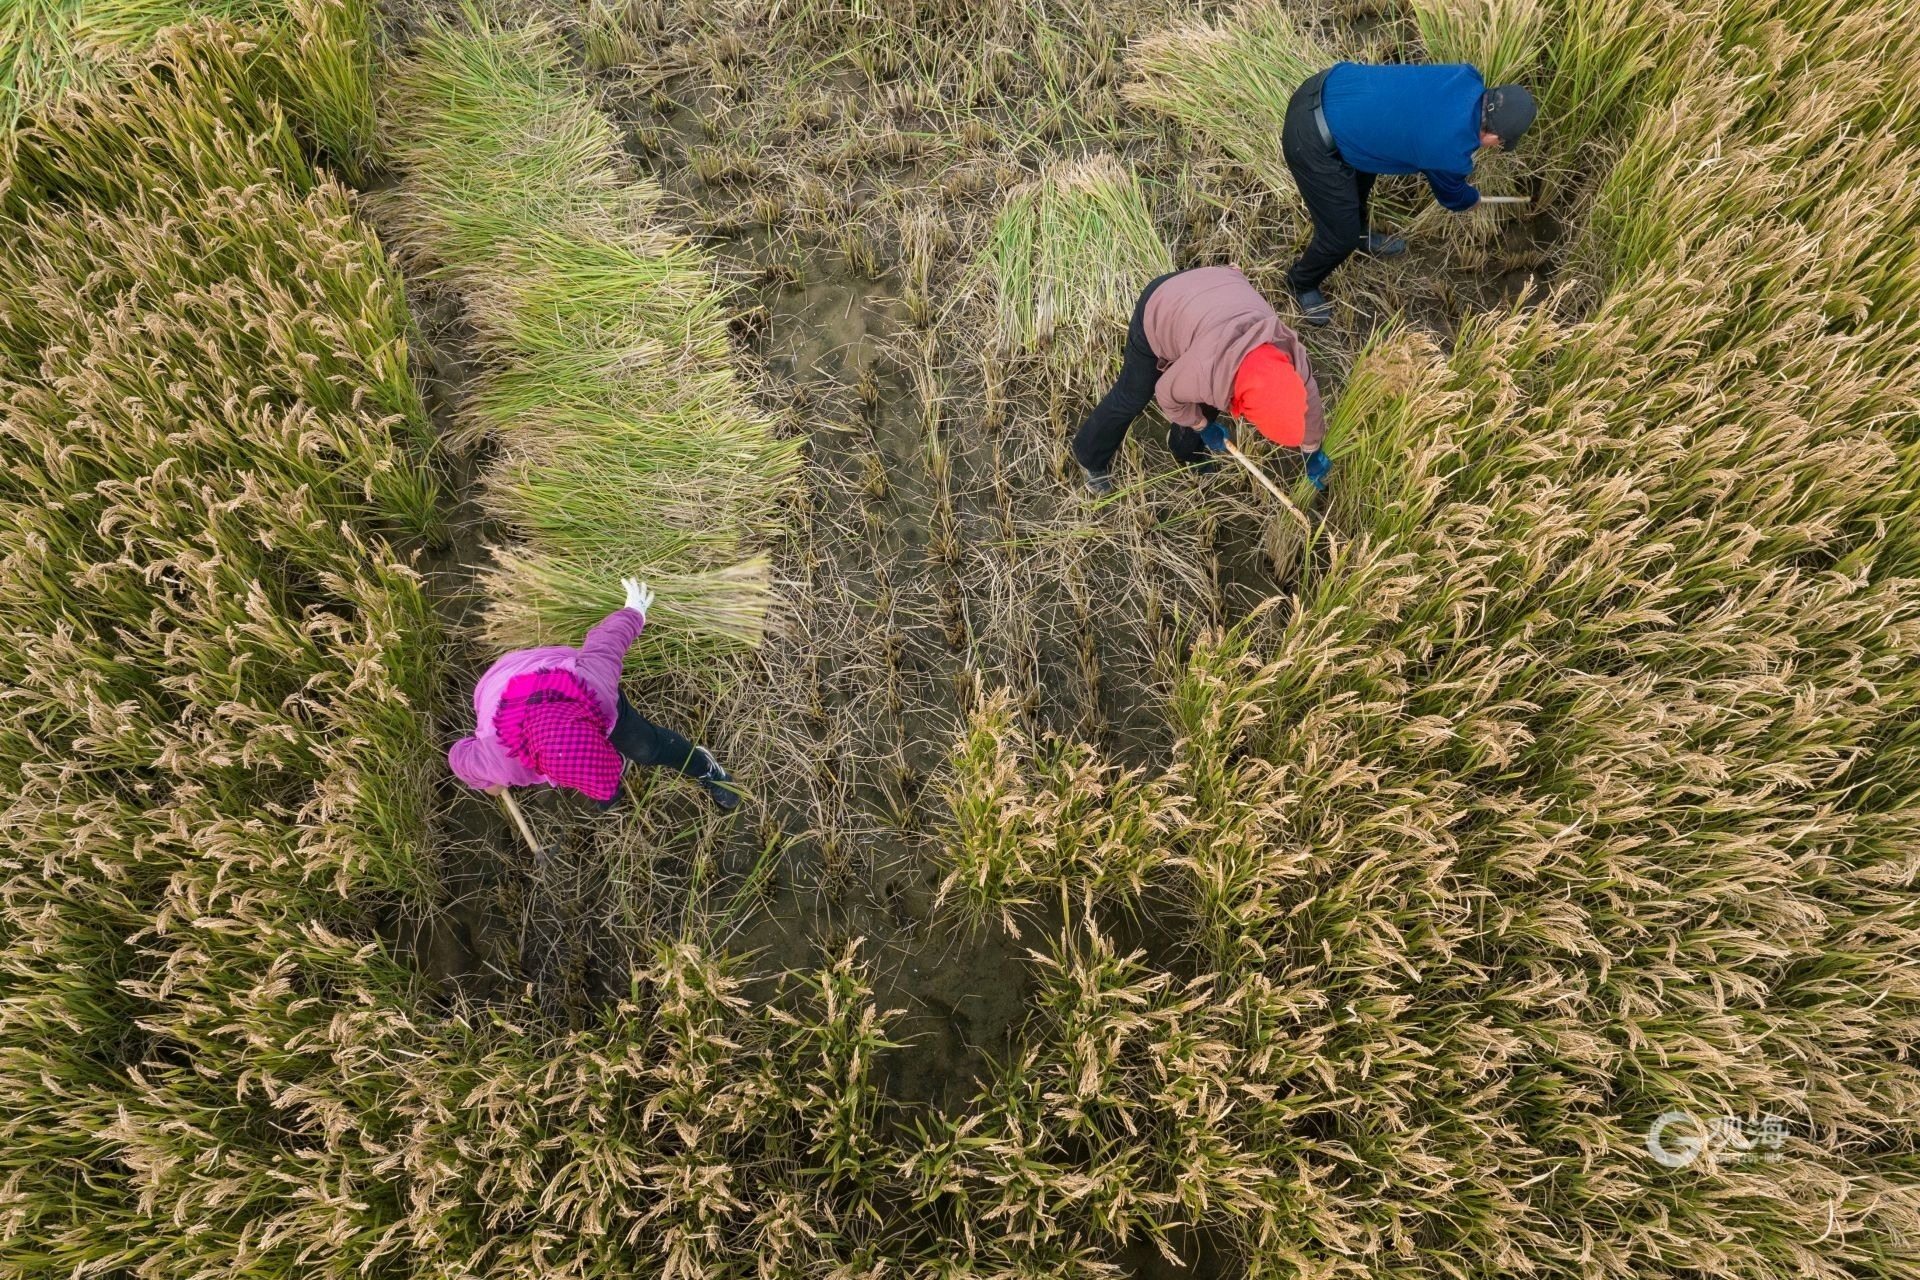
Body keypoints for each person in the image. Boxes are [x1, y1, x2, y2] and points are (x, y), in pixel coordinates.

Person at [448, 578, 740, 813]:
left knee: (646, 749)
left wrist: (634, 612)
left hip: (541, 671)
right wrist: (486, 780)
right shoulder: (498, 752)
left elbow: (605, 645)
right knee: (576, 763)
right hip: (498, 686)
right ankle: (602, 780)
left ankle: (706, 768)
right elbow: (472, 766)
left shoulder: (591, 684)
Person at [1281, 62, 1537, 324]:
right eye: (1500, 143)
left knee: (1367, 168)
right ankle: (1302, 282)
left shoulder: (1466, 76)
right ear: (1494, 136)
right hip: (1310, 140)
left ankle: (1361, 236)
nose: (1496, 146)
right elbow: (1453, 197)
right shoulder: (1449, 150)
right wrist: (1472, 199)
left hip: (1330, 86)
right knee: (1339, 237)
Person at [1072, 265, 1331, 495]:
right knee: (1133, 395)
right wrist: (1201, 425)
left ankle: (1185, 450)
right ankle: (1089, 456)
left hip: (1217, 291)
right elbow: (1166, 393)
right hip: (1164, 302)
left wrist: (1311, 451)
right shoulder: (1205, 371)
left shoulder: (1290, 358)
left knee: (1210, 401)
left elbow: (1309, 404)